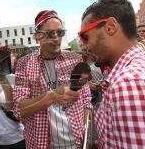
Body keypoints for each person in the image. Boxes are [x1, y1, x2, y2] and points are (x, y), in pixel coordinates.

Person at [79, 0, 145, 148]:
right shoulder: (140, 70)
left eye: (85, 37)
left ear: (110, 27)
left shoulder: (129, 83)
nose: (83, 46)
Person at [13, 10, 91, 149]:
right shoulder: (24, 64)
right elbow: (19, 110)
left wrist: (86, 133)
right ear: (38, 36)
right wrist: (51, 96)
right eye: (50, 33)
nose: (56, 38)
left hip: (77, 143)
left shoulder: (75, 59)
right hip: (41, 144)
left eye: (60, 33)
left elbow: (86, 99)